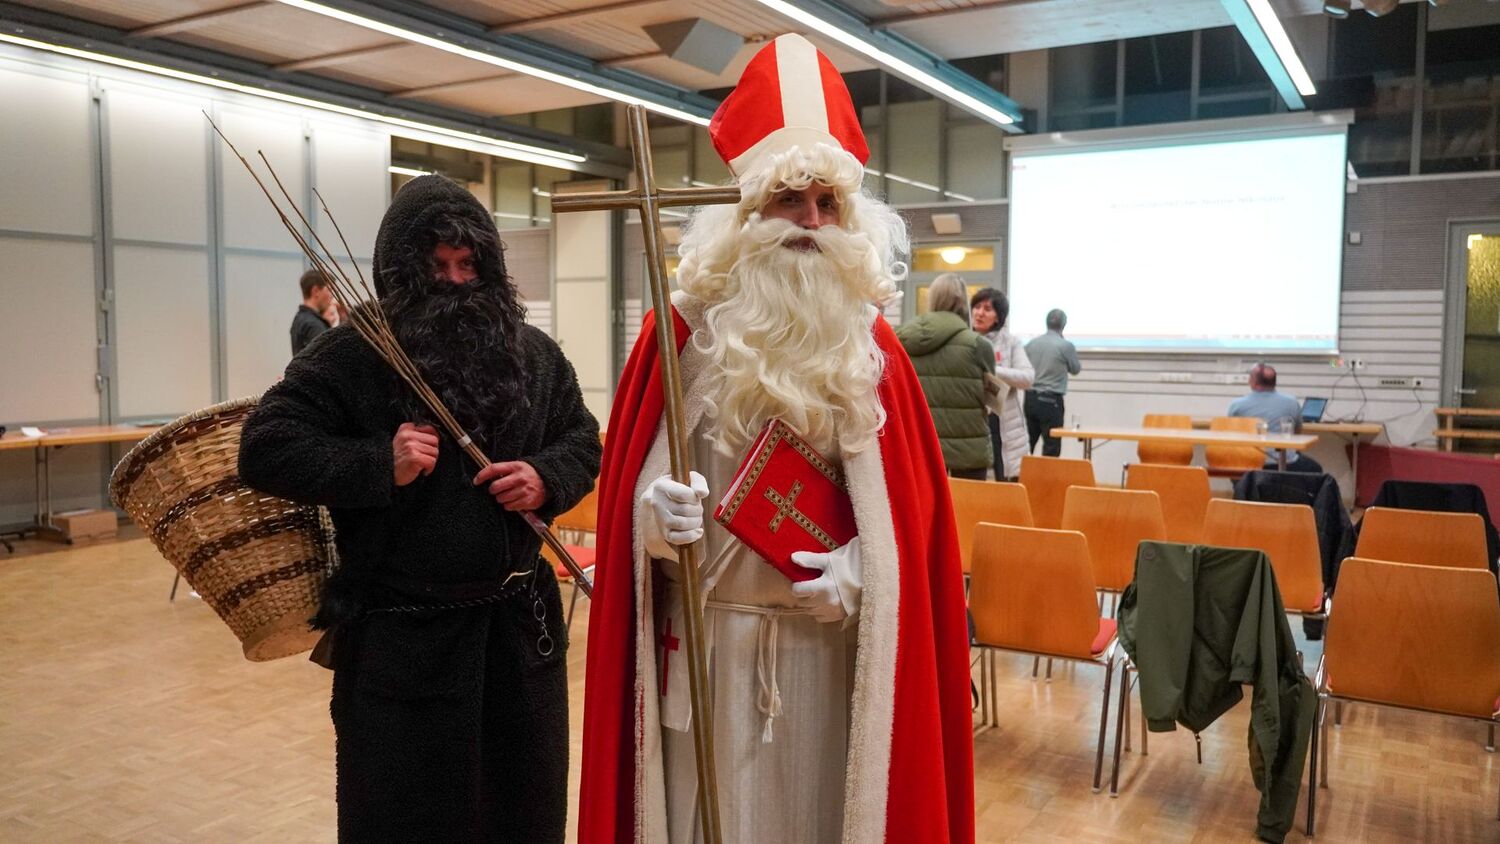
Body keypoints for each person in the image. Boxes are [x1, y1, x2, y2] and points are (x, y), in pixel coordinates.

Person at [578, 33, 973, 844]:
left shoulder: (876, 349)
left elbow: (916, 528)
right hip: (710, 655)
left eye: (828, 205)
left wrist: (864, 575)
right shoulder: (678, 336)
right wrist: (651, 525)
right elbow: (626, 518)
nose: (812, 222)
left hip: (834, 667)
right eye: (791, 199)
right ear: (746, 214)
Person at [238, 174, 602, 843]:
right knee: (405, 822)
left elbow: (582, 438)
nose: (458, 283)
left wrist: (546, 477)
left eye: (469, 265)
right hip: (403, 645)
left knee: (519, 815)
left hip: (519, 636)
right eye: (436, 268)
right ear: (399, 271)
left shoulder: (534, 355)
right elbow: (265, 448)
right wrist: (380, 461)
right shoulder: (354, 355)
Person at [896, 274, 995, 480]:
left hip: (921, 447)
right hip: (969, 450)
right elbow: (991, 398)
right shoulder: (978, 345)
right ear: (963, 302)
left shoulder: (902, 339)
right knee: (969, 510)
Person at [971, 287, 1033, 480]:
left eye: (987, 309)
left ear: (998, 317)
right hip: (974, 421)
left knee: (1006, 483)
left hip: (1004, 423)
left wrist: (991, 370)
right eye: (977, 307)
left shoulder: (1011, 342)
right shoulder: (965, 339)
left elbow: (1027, 378)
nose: (980, 313)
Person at [1228, 363, 1322, 473]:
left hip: (1250, 464)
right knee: (1315, 469)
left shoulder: (1237, 405)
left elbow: (1232, 435)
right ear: (1274, 382)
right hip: (1286, 462)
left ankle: (1245, 489)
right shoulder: (1292, 402)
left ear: (1253, 382)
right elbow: (1297, 432)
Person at [1023, 308, 1081, 457]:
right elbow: (1075, 369)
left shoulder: (1031, 344)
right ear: (1064, 325)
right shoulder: (1065, 346)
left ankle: (1021, 478)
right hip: (1051, 401)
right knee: (1051, 446)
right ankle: (1046, 480)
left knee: (1027, 444)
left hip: (1030, 399)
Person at [291, 268, 333, 354]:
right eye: (329, 290)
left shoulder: (299, 319)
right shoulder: (314, 325)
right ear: (316, 291)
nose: (331, 296)